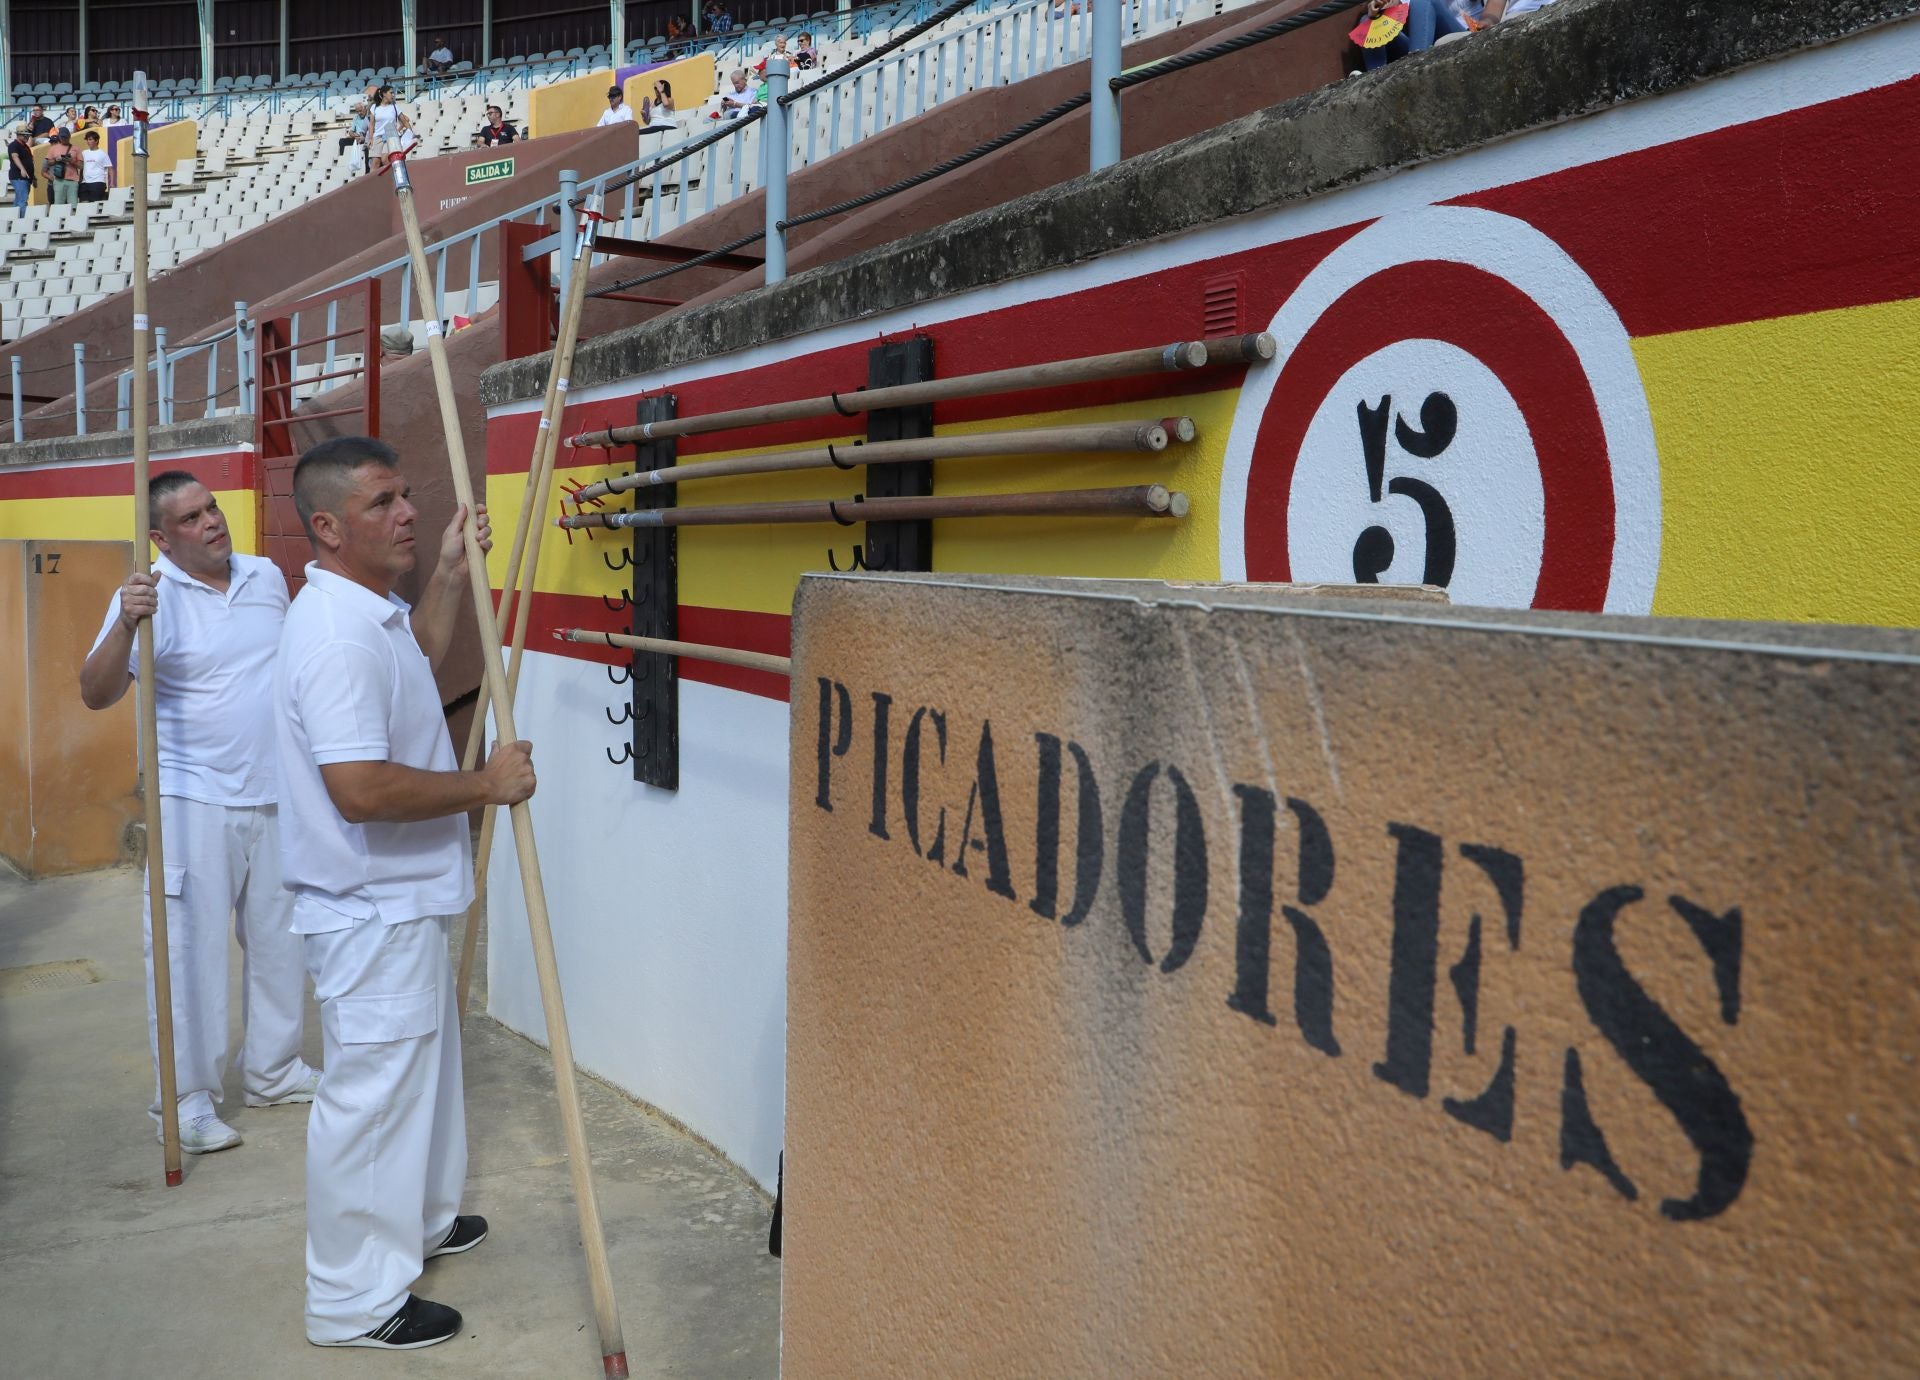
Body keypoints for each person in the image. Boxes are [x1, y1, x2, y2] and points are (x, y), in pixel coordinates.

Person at [275, 437, 523, 1350]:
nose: (409, 512)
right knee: (372, 1100)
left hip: (398, 900)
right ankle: (353, 1300)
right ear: (330, 527)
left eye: (408, 495)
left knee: (421, 1077)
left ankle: (417, 1224)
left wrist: (451, 573)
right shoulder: (336, 636)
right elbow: (361, 790)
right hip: (369, 908)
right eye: (384, 503)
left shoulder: (367, 613)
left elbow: (417, 658)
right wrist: (484, 786)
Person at [80, 472, 322, 1155]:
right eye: (191, 518)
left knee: (283, 943)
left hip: (278, 792)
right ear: (160, 537)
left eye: (212, 508)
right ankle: (185, 1100)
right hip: (192, 800)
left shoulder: (267, 577)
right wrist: (127, 622)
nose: (212, 522)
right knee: (187, 954)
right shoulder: (147, 595)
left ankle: (274, 1070)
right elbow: (95, 693)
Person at [1351, 0, 1465, 70]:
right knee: (1368, 21)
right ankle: (1373, 78)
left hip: (1465, 35)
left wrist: (1399, 2)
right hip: (1422, 41)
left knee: (1424, 1)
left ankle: (1415, 64)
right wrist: (1378, 7)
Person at [44, 132, 79, 205]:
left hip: (69, 180)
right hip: (54, 182)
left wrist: (70, 160)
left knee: (70, 204)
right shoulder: (50, 153)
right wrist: (52, 178)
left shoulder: (74, 149)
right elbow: (43, 171)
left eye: (55, 142)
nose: (53, 144)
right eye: (51, 142)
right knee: (54, 203)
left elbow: (80, 165)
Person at [9, 126, 36, 217]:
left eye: (27, 135)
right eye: (25, 135)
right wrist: (22, 169)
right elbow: (15, 157)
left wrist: (33, 177)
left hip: (26, 178)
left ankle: (13, 221)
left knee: (18, 201)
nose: (27, 137)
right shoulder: (14, 145)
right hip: (19, 177)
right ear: (18, 135)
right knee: (22, 201)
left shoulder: (25, 146)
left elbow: (29, 162)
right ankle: (21, 223)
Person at [78, 129, 111, 202]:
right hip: (84, 183)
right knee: (83, 204)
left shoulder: (102, 153)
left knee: (94, 205)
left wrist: (112, 183)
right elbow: (81, 167)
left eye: (90, 139)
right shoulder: (84, 153)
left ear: (96, 141)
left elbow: (110, 168)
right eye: (87, 140)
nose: (88, 141)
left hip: (98, 182)